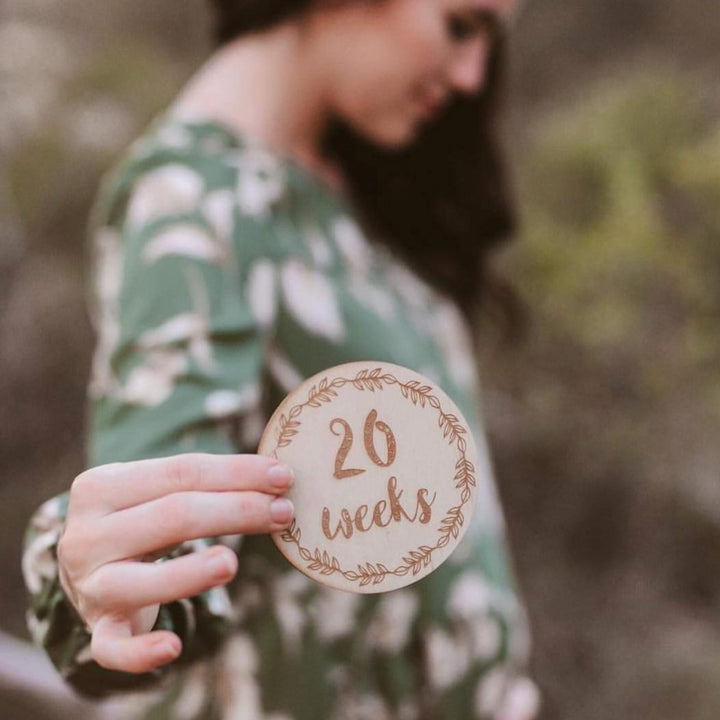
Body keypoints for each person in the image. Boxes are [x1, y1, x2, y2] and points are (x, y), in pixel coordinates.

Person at [22, 1, 540, 718]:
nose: (472, 76)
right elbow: (157, 569)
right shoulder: (198, 202)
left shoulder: (347, 184)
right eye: (461, 24)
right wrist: (97, 587)